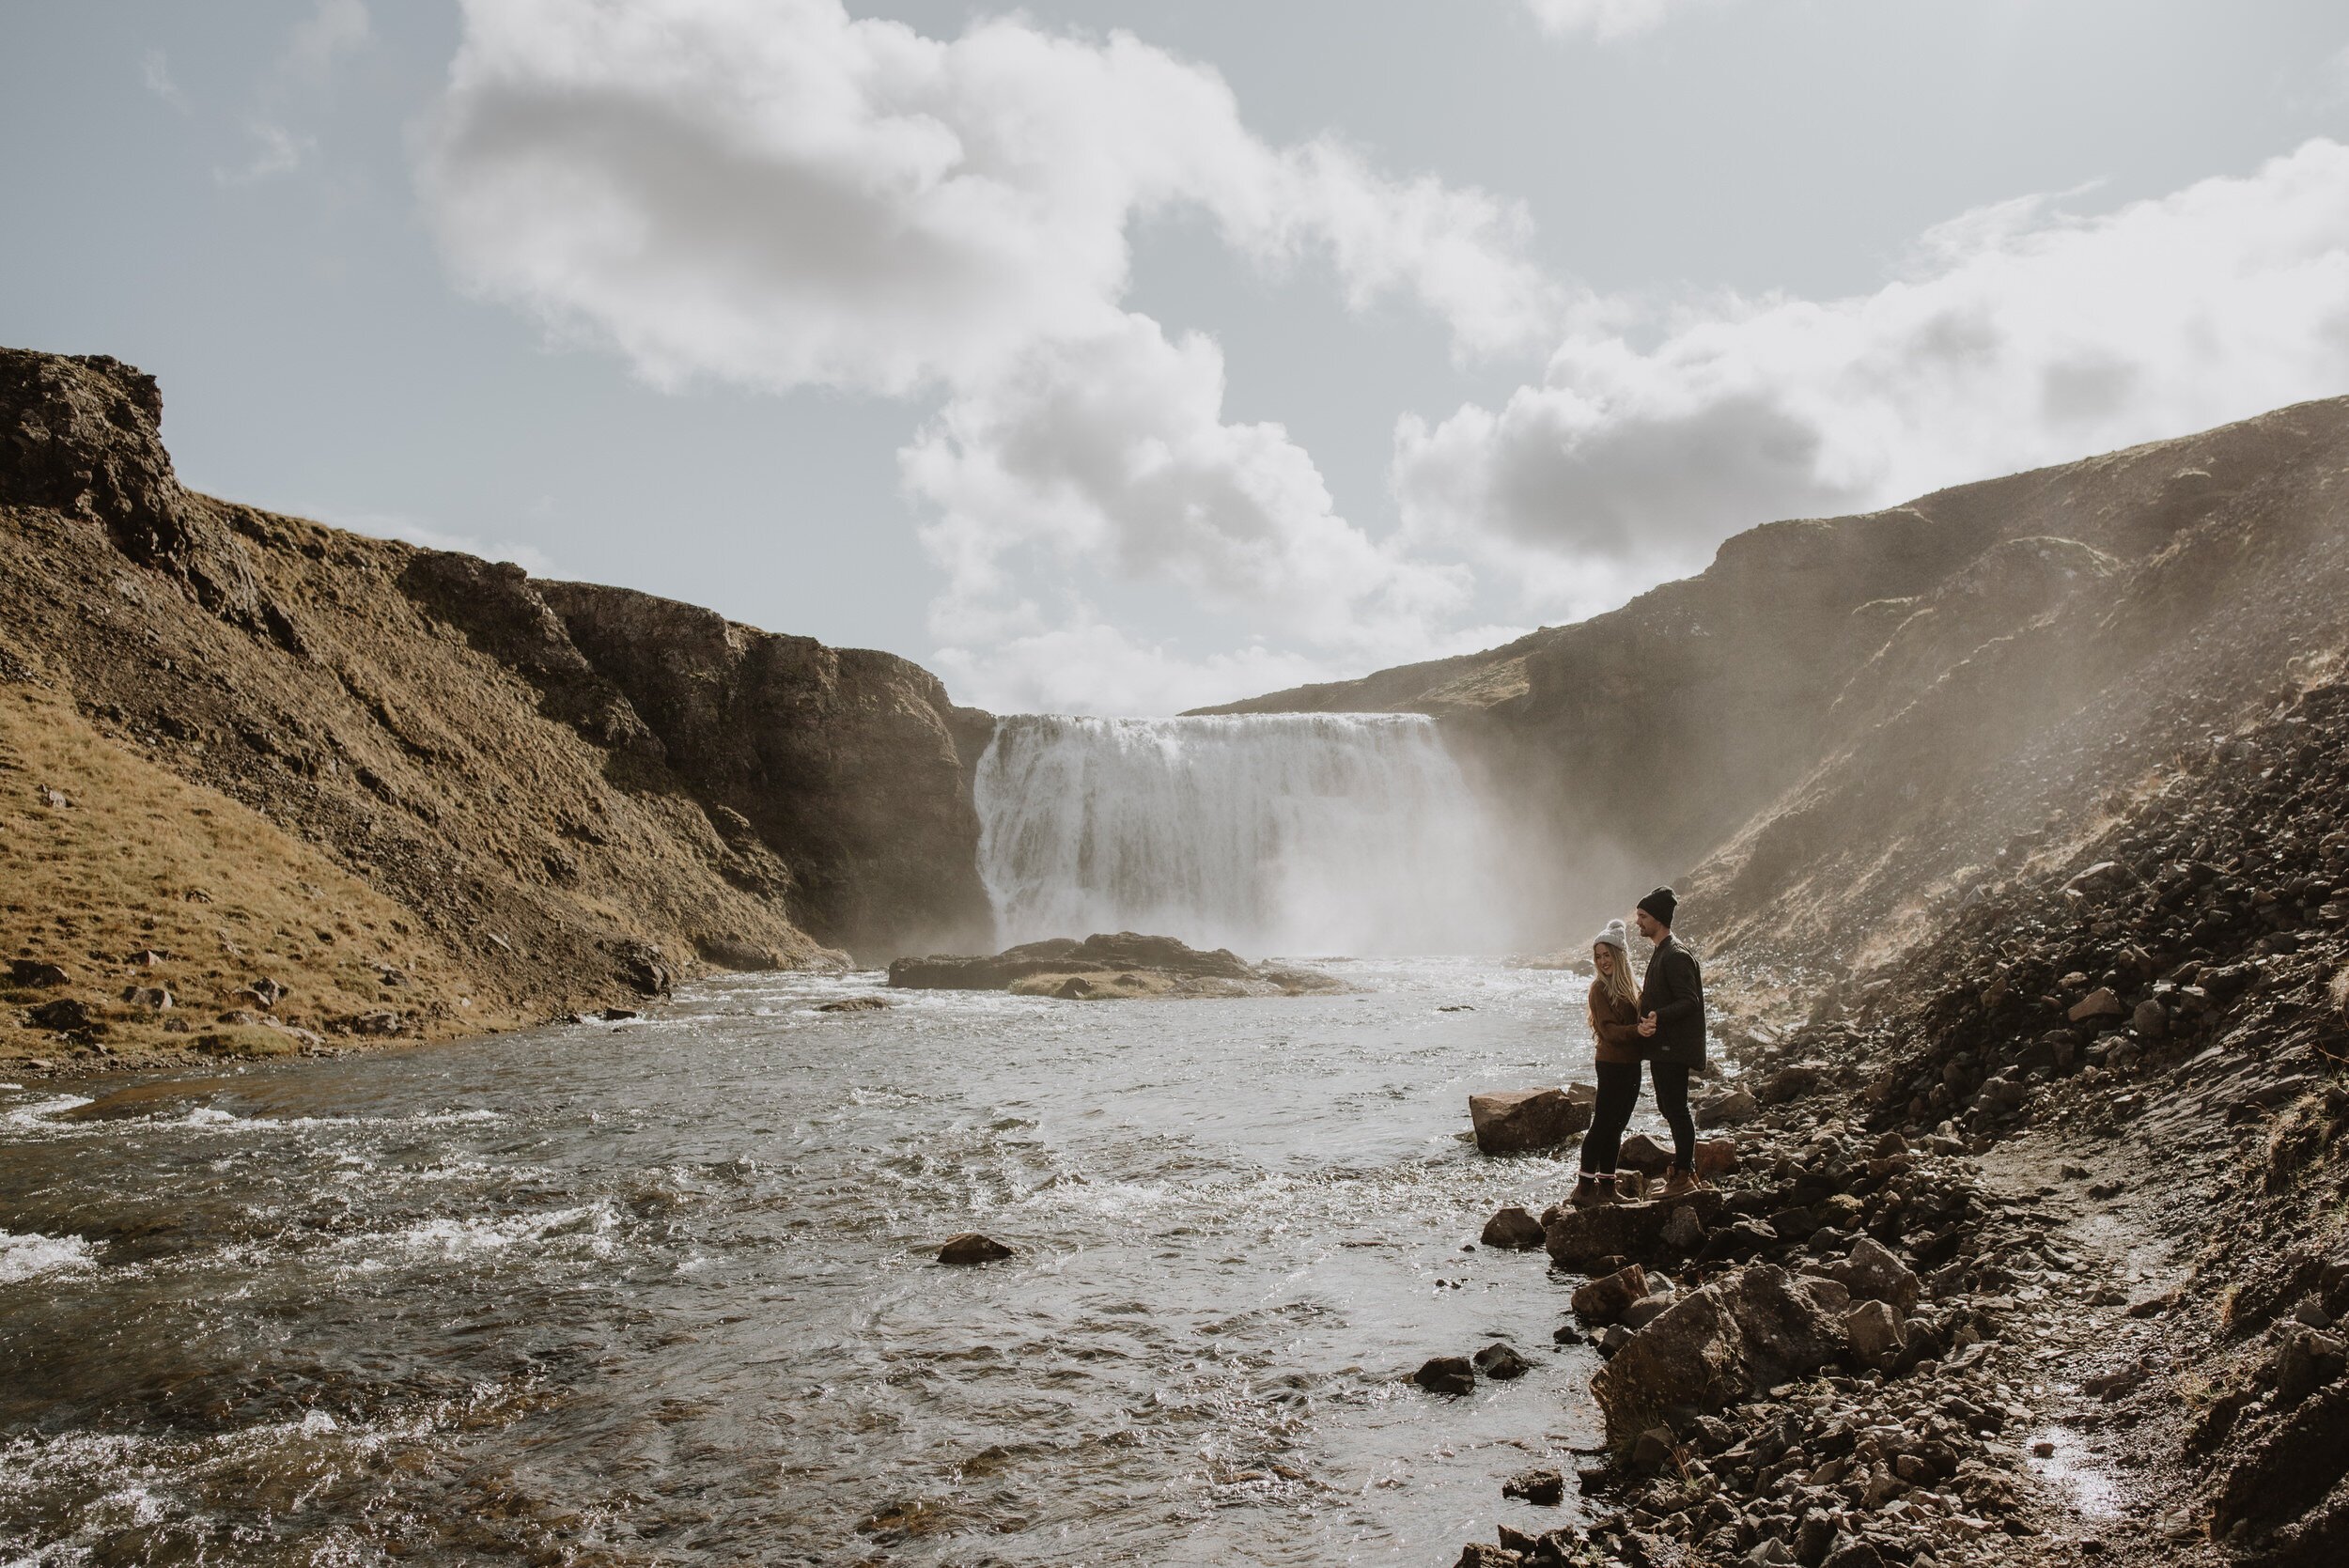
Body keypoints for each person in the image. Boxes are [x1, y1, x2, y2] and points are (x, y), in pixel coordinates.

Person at [1633, 886, 1707, 1194]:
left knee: (1675, 1108)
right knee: (1668, 1106)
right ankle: (1684, 1170)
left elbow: (1690, 1000)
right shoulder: (1663, 950)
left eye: (1643, 916)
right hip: (1664, 1048)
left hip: (1672, 1048)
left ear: (1659, 919)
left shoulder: (1675, 955)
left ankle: (1682, 1175)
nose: (1638, 922)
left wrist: (1657, 1016)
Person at [1571, 919, 1645, 1206]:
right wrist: (1637, 1030)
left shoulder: (1631, 987)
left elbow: (1637, 1024)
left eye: (1607, 955)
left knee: (1617, 1127)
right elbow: (1608, 1030)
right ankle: (1584, 1190)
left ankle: (1608, 1189)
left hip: (1631, 1064)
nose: (1602, 961)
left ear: (1619, 955)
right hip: (1611, 1064)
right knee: (1602, 1124)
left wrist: (1647, 1024)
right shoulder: (1598, 990)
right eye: (1598, 956)